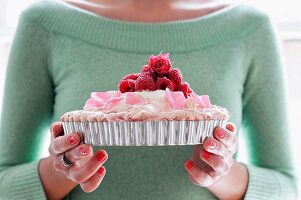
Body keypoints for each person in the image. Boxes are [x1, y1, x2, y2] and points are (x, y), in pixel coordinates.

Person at [0, 0, 297, 199]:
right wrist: (65, 170)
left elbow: (286, 186)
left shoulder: (248, 27)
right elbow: (5, 183)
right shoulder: (45, 23)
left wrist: (221, 173)